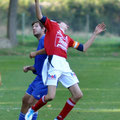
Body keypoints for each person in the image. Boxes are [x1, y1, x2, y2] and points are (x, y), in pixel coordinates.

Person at [25, 0, 106, 120]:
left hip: (64, 65)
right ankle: (32, 110)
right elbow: (39, 16)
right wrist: (37, 3)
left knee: (78, 95)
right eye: (65, 23)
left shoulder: (68, 39)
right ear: (59, 23)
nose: (67, 25)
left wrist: (94, 34)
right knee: (50, 97)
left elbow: (83, 48)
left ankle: (59, 118)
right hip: (53, 63)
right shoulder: (52, 27)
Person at [18, 21, 48, 120]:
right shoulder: (41, 41)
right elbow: (40, 65)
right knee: (25, 100)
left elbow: (50, 50)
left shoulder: (45, 39)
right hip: (38, 77)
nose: (33, 28)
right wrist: (30, 68)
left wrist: (35, 53)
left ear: (43, 29)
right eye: (33, 27)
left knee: (32, 103)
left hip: (45, 79)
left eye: (36, 26)